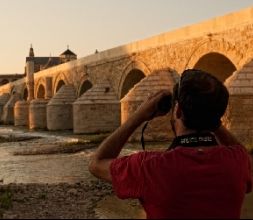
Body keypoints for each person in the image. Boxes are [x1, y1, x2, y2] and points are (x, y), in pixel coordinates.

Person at [89, 69, 252, 219]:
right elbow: (242, 153)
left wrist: (138, 115)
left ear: (178, 111)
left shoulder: (149, 167)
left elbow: (96, 164)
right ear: (217, 117)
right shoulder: (238, 162)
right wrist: (210, 118)